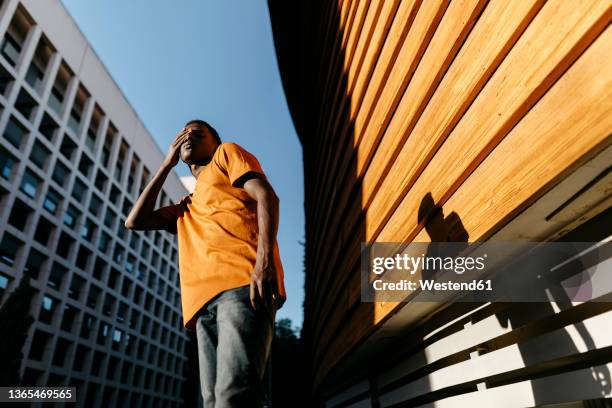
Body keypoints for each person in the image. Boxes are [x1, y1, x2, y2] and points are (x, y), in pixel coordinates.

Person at [125, 119, 287, 407]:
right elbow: (134, 221)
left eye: (197, 134)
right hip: (202, 307)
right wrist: (166, 165)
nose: (188, 137)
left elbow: (267, 196)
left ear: (214, 141)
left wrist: (263, 262)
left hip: (242, 286)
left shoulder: (226, 154)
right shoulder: (186, 206)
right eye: (183, 134)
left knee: (233, 395)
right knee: (213, 401)